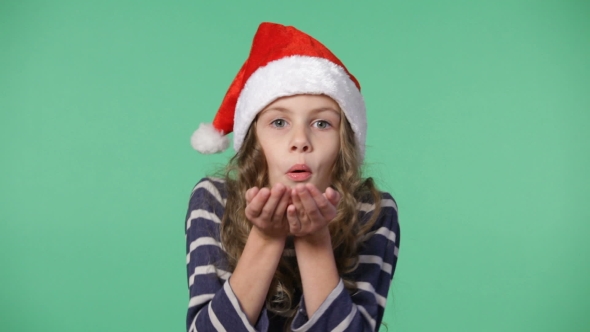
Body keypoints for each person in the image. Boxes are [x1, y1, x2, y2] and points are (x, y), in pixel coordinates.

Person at [184, 22, 400, 332]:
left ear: (345, 141)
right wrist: (266, 237)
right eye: (279, 122)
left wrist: (314, 241)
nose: (300, 140)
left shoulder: (372, 211)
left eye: (322, 124)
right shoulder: (214, 199)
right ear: (254, 140)